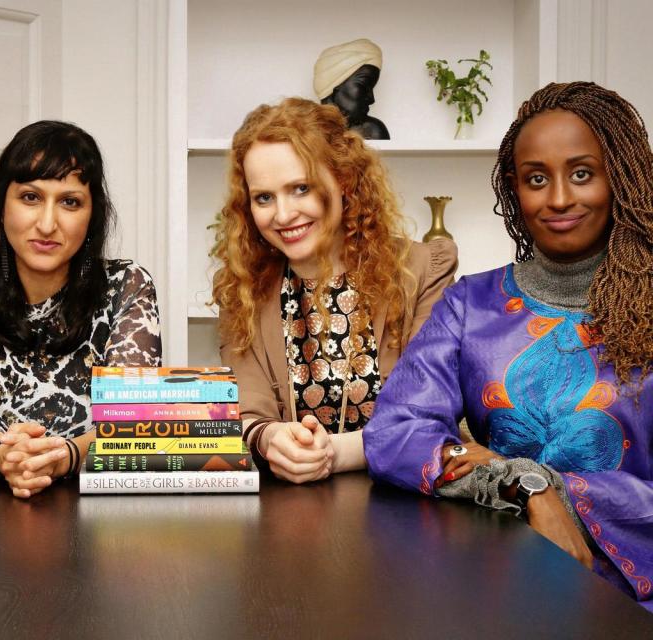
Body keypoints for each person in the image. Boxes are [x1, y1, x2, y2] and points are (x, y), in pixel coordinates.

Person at [363, 82, 653, 612]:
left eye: (582, 173)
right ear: (514, 191)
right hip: (502, 587)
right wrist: (520, 482)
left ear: (623, 179)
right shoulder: (471, 305)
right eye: (537, 179)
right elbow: (394, 432)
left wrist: (563, 493)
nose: (560, 197)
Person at [213, 97, 457, 484]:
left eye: (300, 188)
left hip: (406, 504)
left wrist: (334, 454)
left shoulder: (422, 271)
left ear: (342, 180)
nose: (282, 214)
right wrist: (272, 439)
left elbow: (429, 410)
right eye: (264, 197)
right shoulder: (241, 289)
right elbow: (247, 412)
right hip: (287, 516)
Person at [0, 120, 161, 499]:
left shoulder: (127, 286)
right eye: (30, 197)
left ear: (92, 215)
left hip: (103, 509)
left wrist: (65, 456)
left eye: (69, 202)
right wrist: (5, 455)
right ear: (1, 203)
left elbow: (132, 420)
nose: (46, 223)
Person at [313, 39, 390, 139]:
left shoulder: (371, 130)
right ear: (335, 89)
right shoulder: (306, 132)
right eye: (363, 87)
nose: (371, 99)